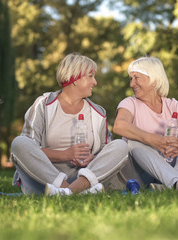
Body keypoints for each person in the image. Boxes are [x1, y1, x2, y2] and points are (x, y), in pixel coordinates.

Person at [10, 53, 128, 196]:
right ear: (75, 78)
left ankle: (67, 192)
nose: (95, 82)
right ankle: (71, 191)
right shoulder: (43, 105)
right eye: (90, 76)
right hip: (46, 182)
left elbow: (105, 152)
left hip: (84, 179)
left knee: (120, 146)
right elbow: (30, 148)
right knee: (19, 143)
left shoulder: (98, 113)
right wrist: (65, 155)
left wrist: (94, 157)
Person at [113, 56, 178, 191]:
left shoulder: (173, 105)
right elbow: (119, 125)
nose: (132, 84)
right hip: (137, 172)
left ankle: (175, 185)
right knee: (134, 142)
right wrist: (152, 139)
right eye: (131, 79)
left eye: (137, 78)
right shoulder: (129, 103)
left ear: (154, 80)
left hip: (167, 167)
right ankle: (176, 183)